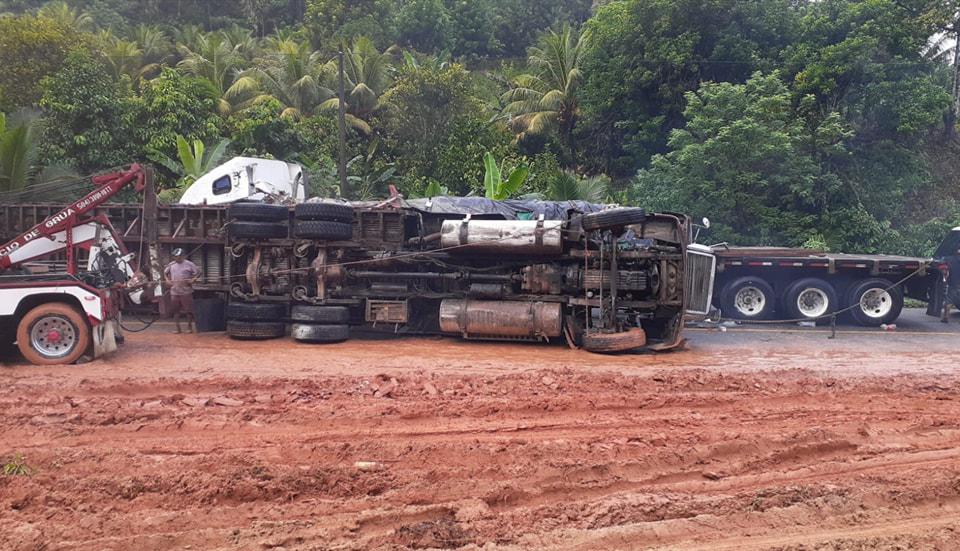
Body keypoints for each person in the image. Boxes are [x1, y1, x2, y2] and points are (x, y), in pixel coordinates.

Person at [164, 248, 202, 333]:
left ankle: (189, 327)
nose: (176, 258)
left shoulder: (189, 264)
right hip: (174, 290)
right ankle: (177, 328)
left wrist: (193, 279)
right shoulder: (171, 264)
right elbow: (165, 273)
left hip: (186, 290)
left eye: (178, 256)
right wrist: (167, 280)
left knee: (188, 310)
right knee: (175, 310)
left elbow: (199, 272)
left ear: (182, 256)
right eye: (175, 256)